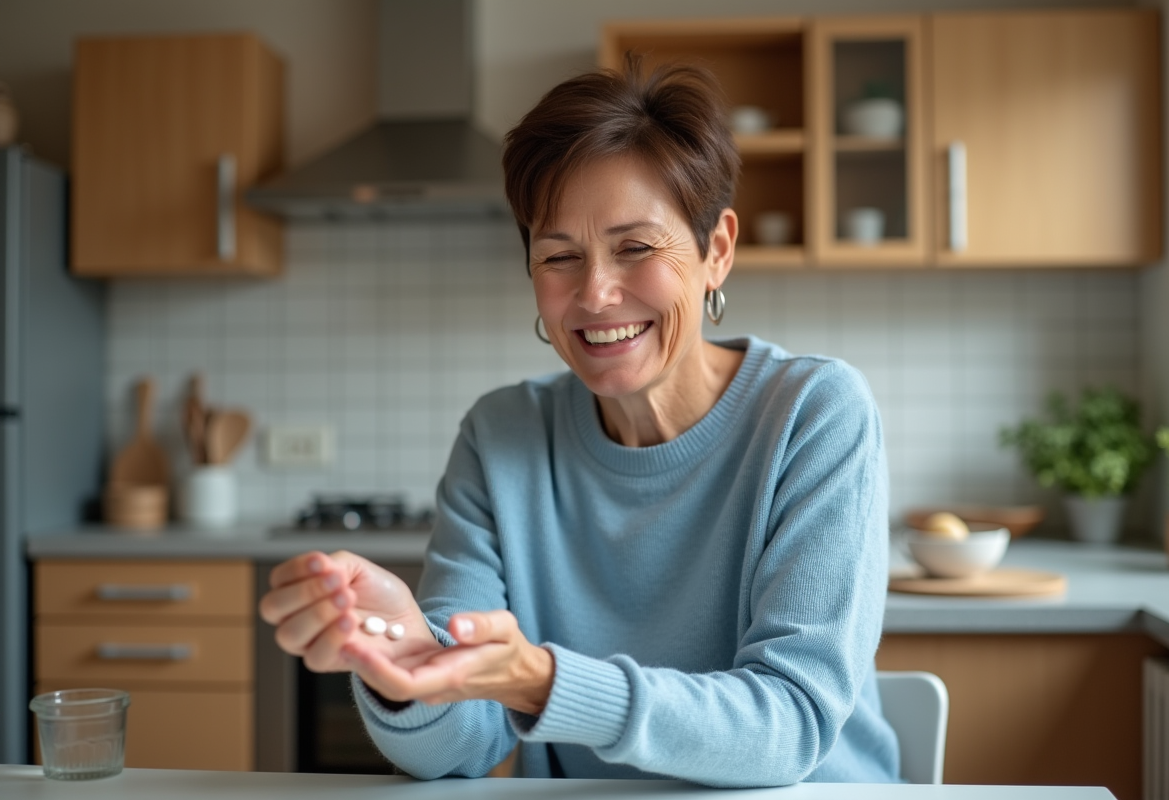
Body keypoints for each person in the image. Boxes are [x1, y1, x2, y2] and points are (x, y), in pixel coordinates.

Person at [258, 59, 900, 787]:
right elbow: (458, 751)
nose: (595, 293)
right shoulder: (501, 436)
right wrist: (407, 661)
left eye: (635, 248)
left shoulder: (813, 413)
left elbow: (787, 725)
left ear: (716, 251)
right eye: (560, 256)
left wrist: (539, 680)